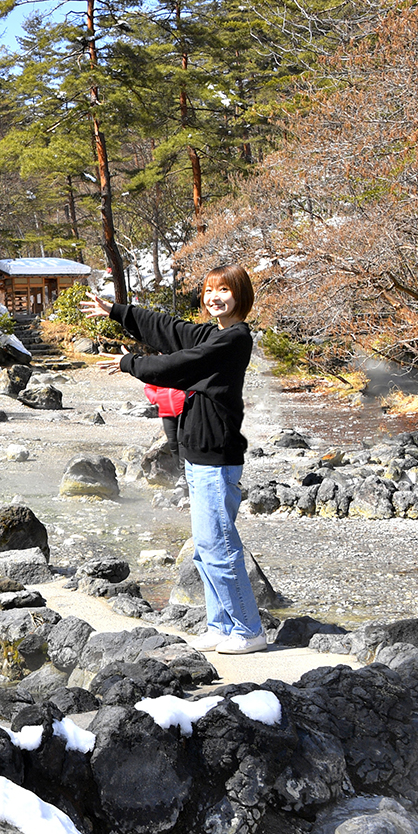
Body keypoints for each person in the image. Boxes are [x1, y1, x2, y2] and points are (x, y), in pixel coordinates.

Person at [81, 264, 265, 655]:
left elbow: (177, 367)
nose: (215, 296)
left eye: (224, 290)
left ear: (240, 296)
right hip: (198, 457)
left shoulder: (232, 341)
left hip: (217, 459)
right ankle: (221, 626)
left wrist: (127, 362)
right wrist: (117, 312)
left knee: (219, 547)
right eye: (210, 290)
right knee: (205, 548)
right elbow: (168, 328)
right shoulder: (212, 332)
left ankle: (249, 629)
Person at [144, 383, 186, 453]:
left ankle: (184, 464)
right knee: (172, 443)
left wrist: (184, 396)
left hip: (184, 409)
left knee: (183, 440)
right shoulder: (159, 372)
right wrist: (156, 397)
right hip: (166, 411)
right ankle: (177, 464)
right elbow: (148, 387)